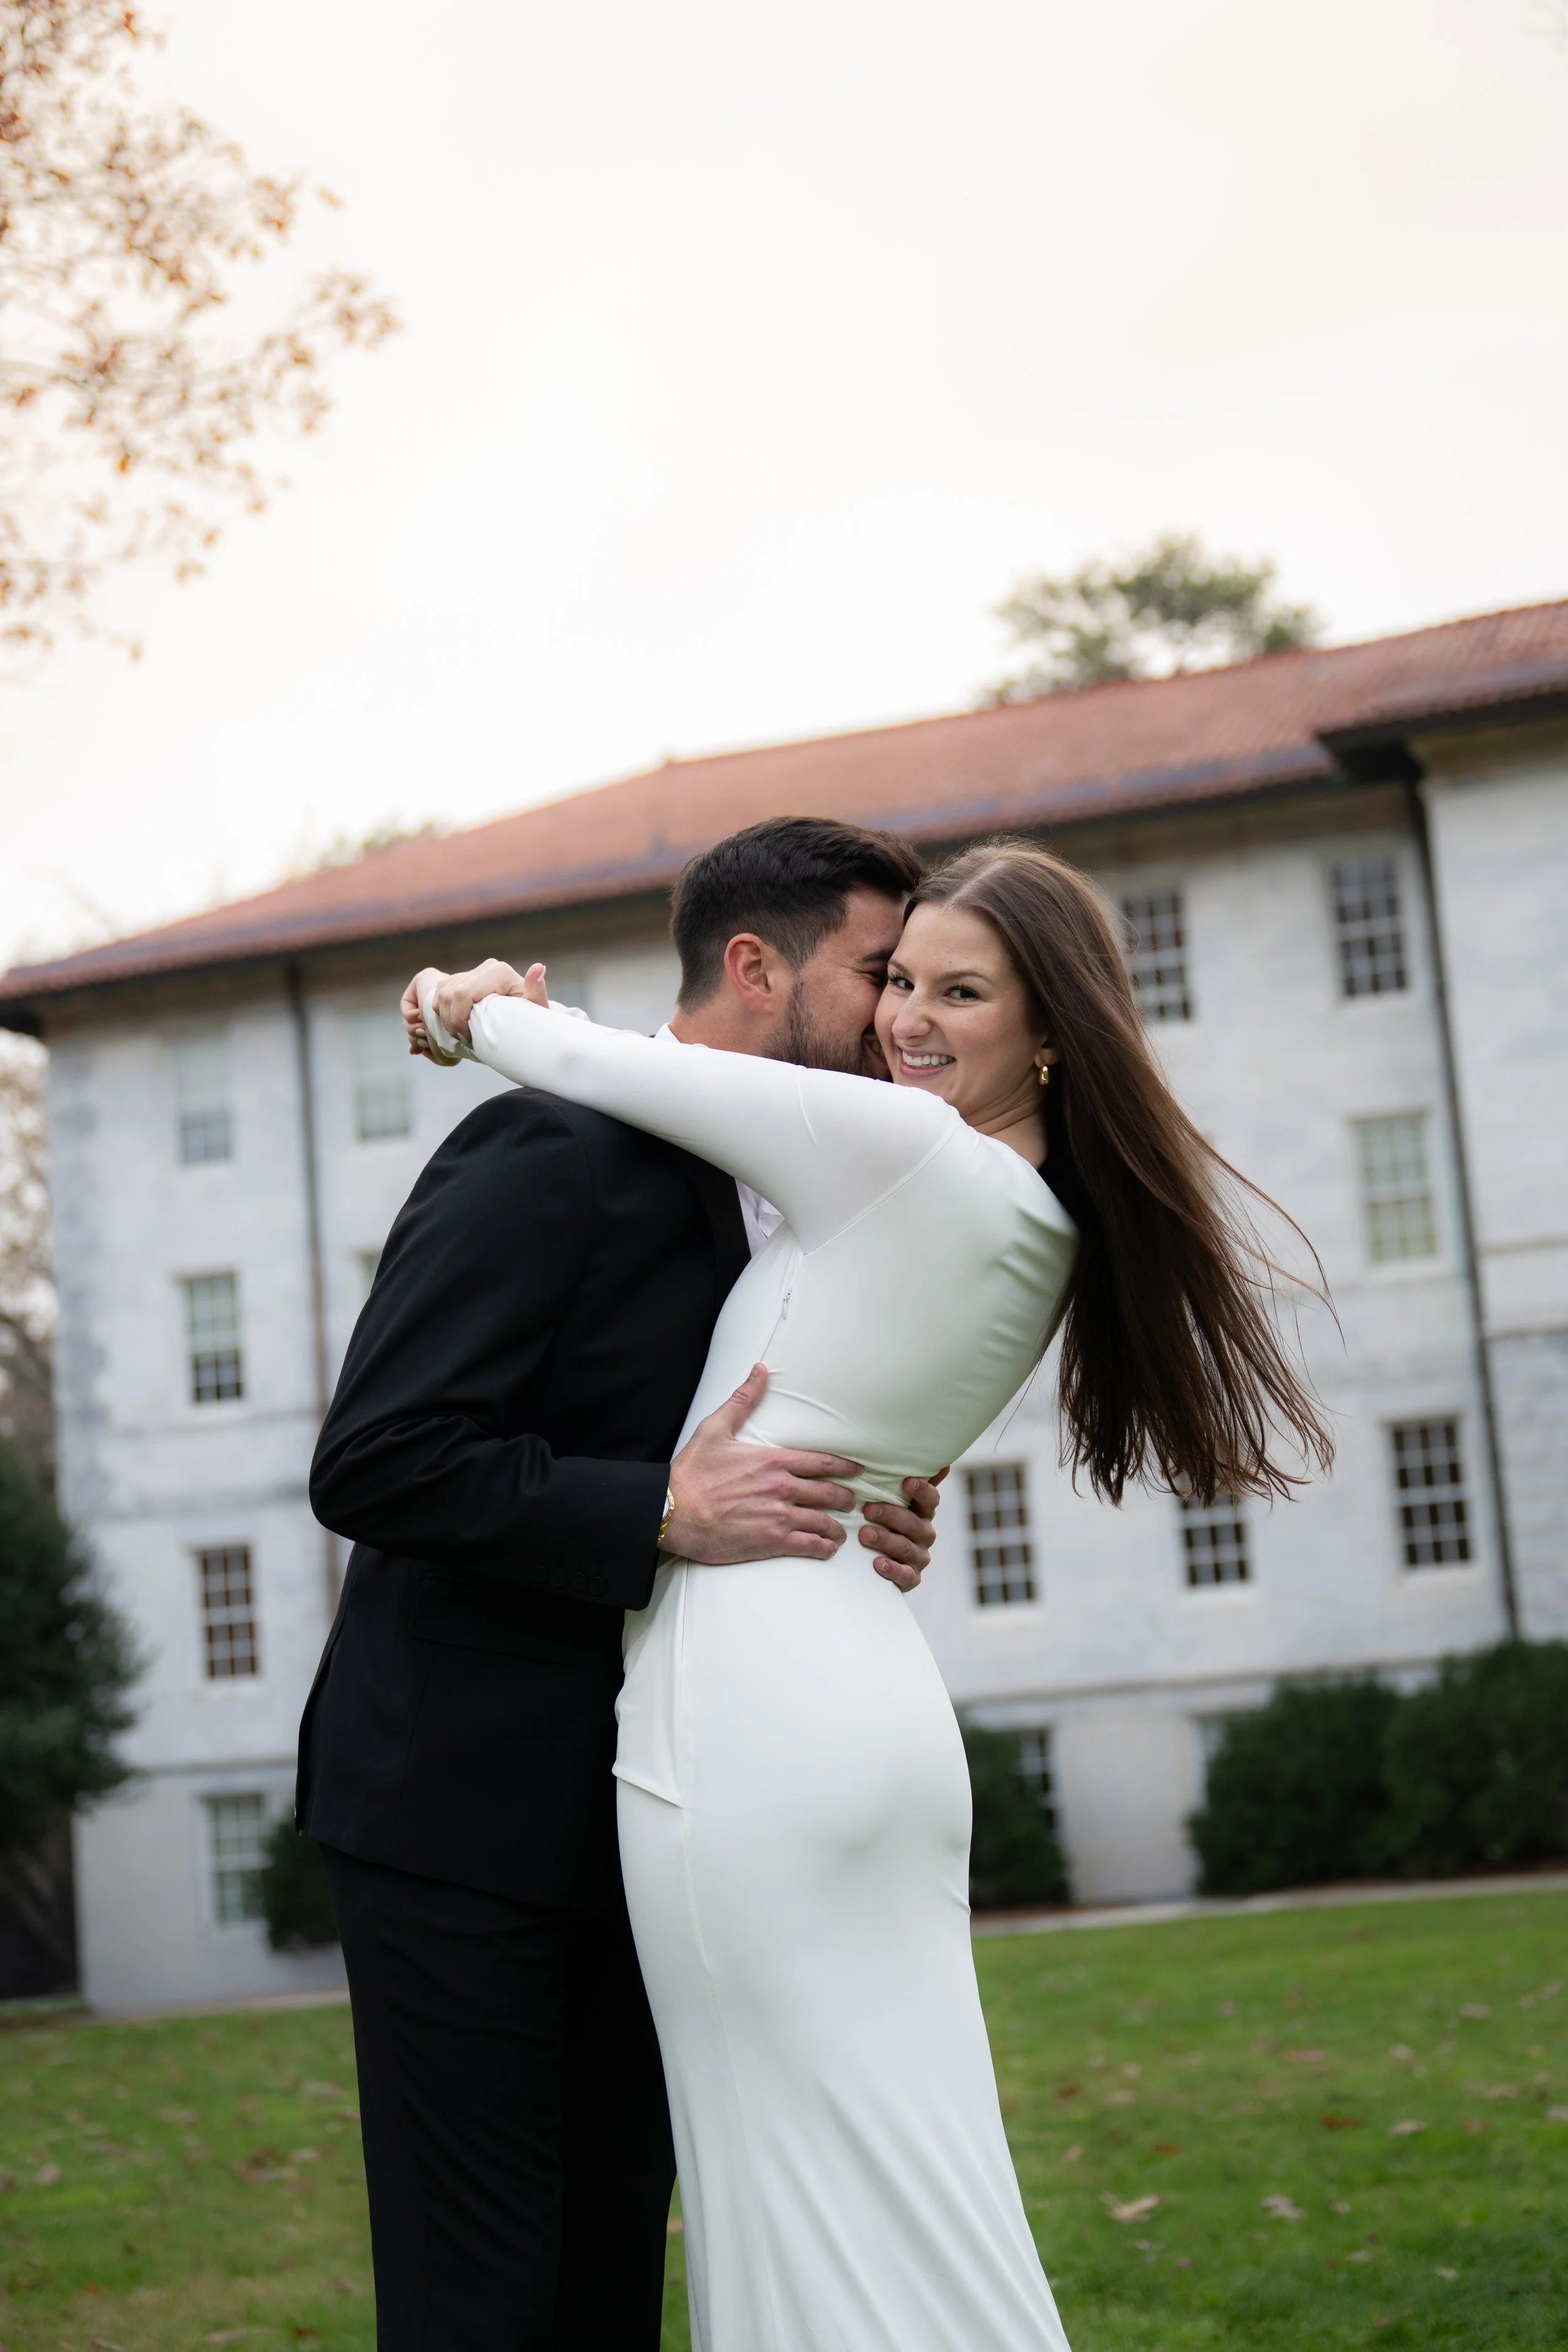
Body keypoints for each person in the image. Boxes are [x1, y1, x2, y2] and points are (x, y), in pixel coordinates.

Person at [410, 836, 1334, 2352]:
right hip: (874, 1711)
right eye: (898, 979)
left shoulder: (898, 1152)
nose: (906, 1017)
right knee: (914, 2182)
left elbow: (592, 1060)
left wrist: (461, 997)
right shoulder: (1038, 1222)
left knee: (786, 2197)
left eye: (960, 992)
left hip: (748, 1717)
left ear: (1050, 1030)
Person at [299, 815, 945, 2352]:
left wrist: (865, 1516)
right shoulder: (545, 1145)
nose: (903, 1018)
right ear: (752, 967)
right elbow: (378, 1459)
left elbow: (750, 1462)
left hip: (661, 1819)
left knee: (604, 2282)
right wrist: (656, 1505)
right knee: (487, 2299)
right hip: (457, 1817)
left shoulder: (805, 1204)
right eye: (879, 974)